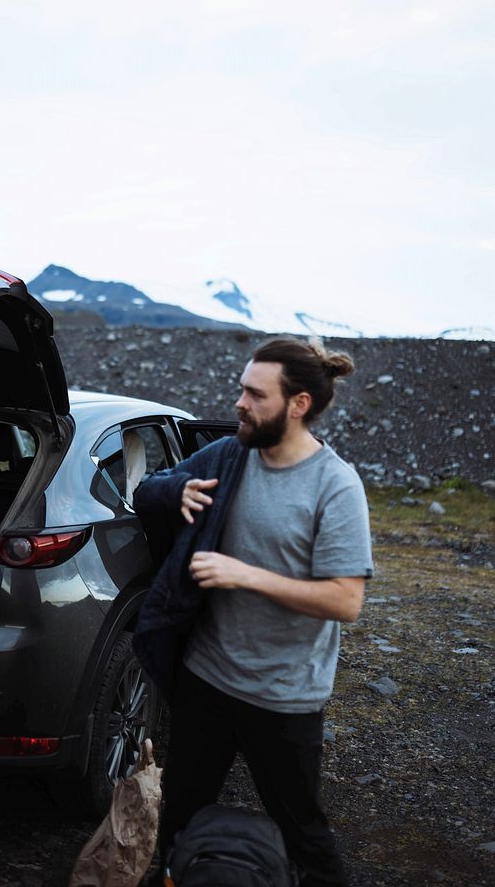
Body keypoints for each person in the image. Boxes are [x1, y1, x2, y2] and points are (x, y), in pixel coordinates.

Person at [133, 336, 373, 887]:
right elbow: (149, 490)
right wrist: (178, 493)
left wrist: (246, 576)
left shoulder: (334, 486)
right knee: (180, 819)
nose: (239, 402)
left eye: (255, 394)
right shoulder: (229, 453)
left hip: (284, 696)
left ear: (298, 405)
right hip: (207, 681)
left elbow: (346, 600)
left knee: (305, 837)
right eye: (242, 388)